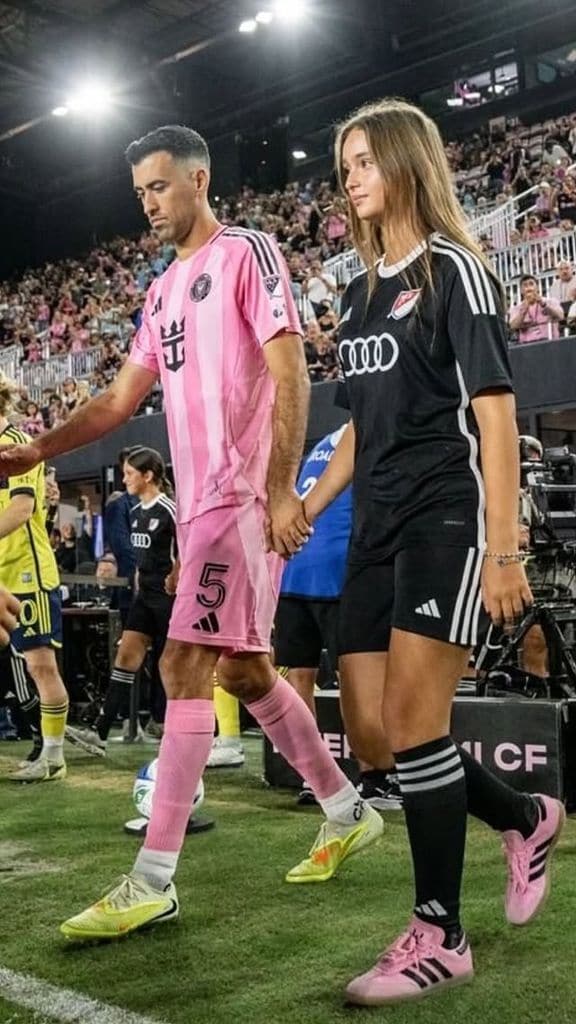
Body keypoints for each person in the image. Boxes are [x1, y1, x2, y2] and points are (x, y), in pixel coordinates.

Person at [0, 124, 382, 941]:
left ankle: (153, 878)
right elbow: (113, 403)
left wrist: (281, 489)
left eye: (160, 187)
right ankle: (347, 808)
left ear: (200, 180)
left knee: (182, 662)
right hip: (206, 500)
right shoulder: (162, 291)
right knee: (244, 671)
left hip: (241, 496)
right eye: (139, 191)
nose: (148, 203)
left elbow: (290, 371)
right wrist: (39, 447)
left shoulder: (246, 254)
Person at [299, 98, 565, 1006]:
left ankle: (440, 933)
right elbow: (354, 432)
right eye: (345, 167)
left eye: (365, 160)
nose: (352, 179)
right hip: (372, 525)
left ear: (410, 162)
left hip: (445, 521)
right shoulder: (357, 291)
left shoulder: (458, 270)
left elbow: (495, 414)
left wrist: (504, 547)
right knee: (375, 738)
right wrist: (305, 507)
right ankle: (528, 818)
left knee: (416, 725)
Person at [275, 425, 401, 810]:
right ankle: (375, 780)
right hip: (337, 572)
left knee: (299, 678)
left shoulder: (322, 442)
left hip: (292, 568)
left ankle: (316, 779)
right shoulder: (371, 435)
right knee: (356, 676)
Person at [66, 446, 177, 756]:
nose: (124, 479)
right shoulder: (135, 511)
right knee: (126, 656)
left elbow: (187, 549)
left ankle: (178, 732)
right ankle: (99, 732)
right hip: (144, 597)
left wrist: (177, 577)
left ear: (148, 475)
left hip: (168, 599)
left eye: (129, 474)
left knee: (170, 666)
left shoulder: (168, 509)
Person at [0, 374, 69, 783]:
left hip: (27, 572)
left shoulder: (16, 444)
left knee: (41, 667)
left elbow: (22, 510)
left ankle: (54, 757)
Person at [509, 275, 563, 343]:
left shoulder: (551, 301)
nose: (529, 288)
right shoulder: (516, 308)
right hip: (527, 344)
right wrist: (523, 312)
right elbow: (513, 326)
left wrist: (544, 304)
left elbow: (561, 316)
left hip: (550, 341)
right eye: (525, 285)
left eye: (531, 284)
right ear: (521, 291)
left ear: (537, 287)